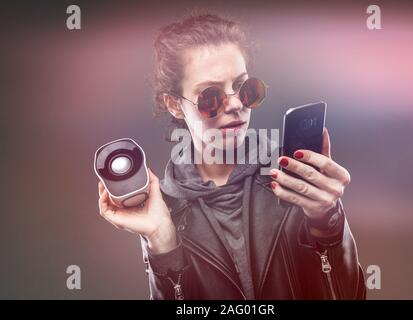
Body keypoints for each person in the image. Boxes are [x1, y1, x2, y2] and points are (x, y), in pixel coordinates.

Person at [97, 12, 366, 300]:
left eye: (245, 88)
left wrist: (328, 223)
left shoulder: (297, 179)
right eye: (211, 97)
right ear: (175, 105)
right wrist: (163, 242)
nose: (237, 105)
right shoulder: (164, 210)